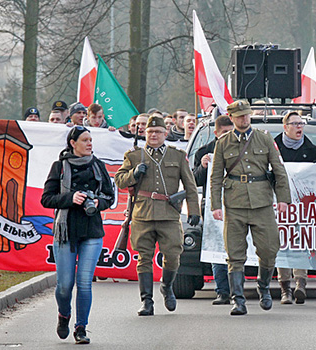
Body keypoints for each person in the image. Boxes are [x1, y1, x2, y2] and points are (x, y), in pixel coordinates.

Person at [209, 100, 291, 316]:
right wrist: (215, 205)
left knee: (269, 249)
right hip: (234, 203)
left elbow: (279, 170)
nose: (244, 119)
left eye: (246, 115)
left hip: (262, 202)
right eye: (240, 116)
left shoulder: (264, 138)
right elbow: (216, 176)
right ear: (232, 118)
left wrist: (283, 198)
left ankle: (263, 287)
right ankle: (238, 300)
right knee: (234, 254)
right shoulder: (223, 142)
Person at [114, 116, 200, 316]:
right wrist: (134, 173)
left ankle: (167, 286)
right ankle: (146, 301)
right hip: (142, 214)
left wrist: (193, 211)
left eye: (158, 132)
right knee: (144, 258)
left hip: (169, 213)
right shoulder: (134, 156)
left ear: (165, 133)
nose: (153, 135)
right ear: (145, 134)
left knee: (172, 255)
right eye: (150, 132)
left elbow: (190, 186)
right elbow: (119, 180)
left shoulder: (177, 156)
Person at [41, 126, 114, 344]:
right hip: (65, 231)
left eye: (91, 140)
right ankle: (64, 315)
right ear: (73, 143)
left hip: (91, 230)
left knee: (84, 282)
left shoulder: (97, 165)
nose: (90, 143)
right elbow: (46, 199)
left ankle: (81, 328)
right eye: (85, 140)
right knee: (64, 285)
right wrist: (70, 198)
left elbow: (110, 196)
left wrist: (99, 202)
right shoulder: (59, 166)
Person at [274, 111, 316, 304]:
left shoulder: (313, 150)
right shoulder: (273, 148)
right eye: (295, 124)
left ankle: (301, 283)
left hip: (304, 205)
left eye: (301, 123)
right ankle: (285, 288)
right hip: (279, 204)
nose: (299, 127)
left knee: (302, 242)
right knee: (282, 244)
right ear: (285, 127)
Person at [192, 115, 234, 305]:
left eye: (231, 131)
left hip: (239, 204)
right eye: (225, 132)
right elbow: (194, 181)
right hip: (214, 207)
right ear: (216, 133)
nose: (228, 135)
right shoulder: (204, 151)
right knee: (217, 249)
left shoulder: (243, 148)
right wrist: (202, 166)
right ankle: (223, 291)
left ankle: (238, 290)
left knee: (238, 248)